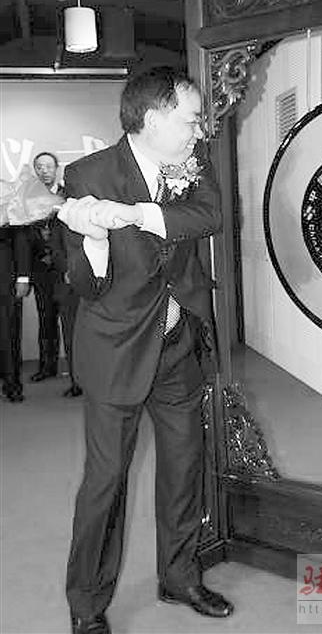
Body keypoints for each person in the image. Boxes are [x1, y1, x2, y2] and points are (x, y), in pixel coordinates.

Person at [57, 66, 232, 634]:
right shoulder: (87, 175)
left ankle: (179, 576)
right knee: (106, 482)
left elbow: (211, 215)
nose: (199, 131)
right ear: (154, 120)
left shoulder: (192, 163)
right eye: (191, 120)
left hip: (178, 341)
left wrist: (136, 215)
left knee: (184, 466)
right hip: (117, 349)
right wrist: (94, 239)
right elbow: (85, 285)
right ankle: (87, 605)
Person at [27, 152, 63, 382]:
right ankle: (47, 367)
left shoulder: (68, 194)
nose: (44, 171)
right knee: (46, 319)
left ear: (56, 168)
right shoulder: (28, 198)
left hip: (66, 270)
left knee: (72, 323)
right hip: (41, 268)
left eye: (49, 166)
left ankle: (79, 375)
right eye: (40, 167)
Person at [50, 220, 83, 397]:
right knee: (71, 336)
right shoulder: (60, 221)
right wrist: (70, 270)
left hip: (98, 287)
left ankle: (100, 382)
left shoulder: (98, 212)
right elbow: (56, 250)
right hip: (68, 285)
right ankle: (77, 382)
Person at [0, 224, 30, 402]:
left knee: (8, 333)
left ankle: (12, 384)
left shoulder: (8, 205)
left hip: (4, 273)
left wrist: (23, 277)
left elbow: (21, 238)